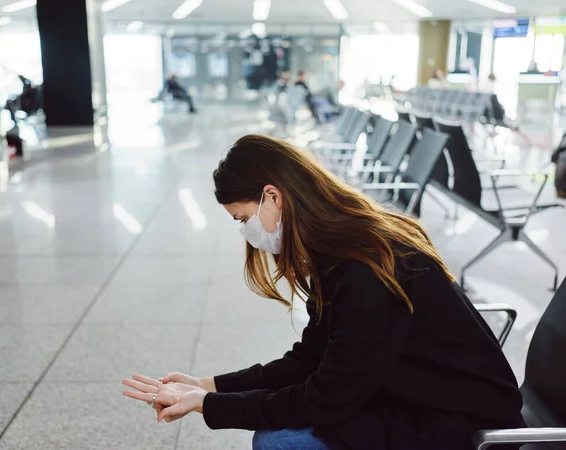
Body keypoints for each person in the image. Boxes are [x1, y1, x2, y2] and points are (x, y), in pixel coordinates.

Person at [122, 134, 525, 450]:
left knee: (280, 440)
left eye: (243, 218)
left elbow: (326, 396)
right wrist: (209, 385)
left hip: (460, 421)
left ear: (273, 196)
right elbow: (312, 358)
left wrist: (207, 405)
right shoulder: (340, 249)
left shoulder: (367, 267)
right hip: (411, 392)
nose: (244, 231)